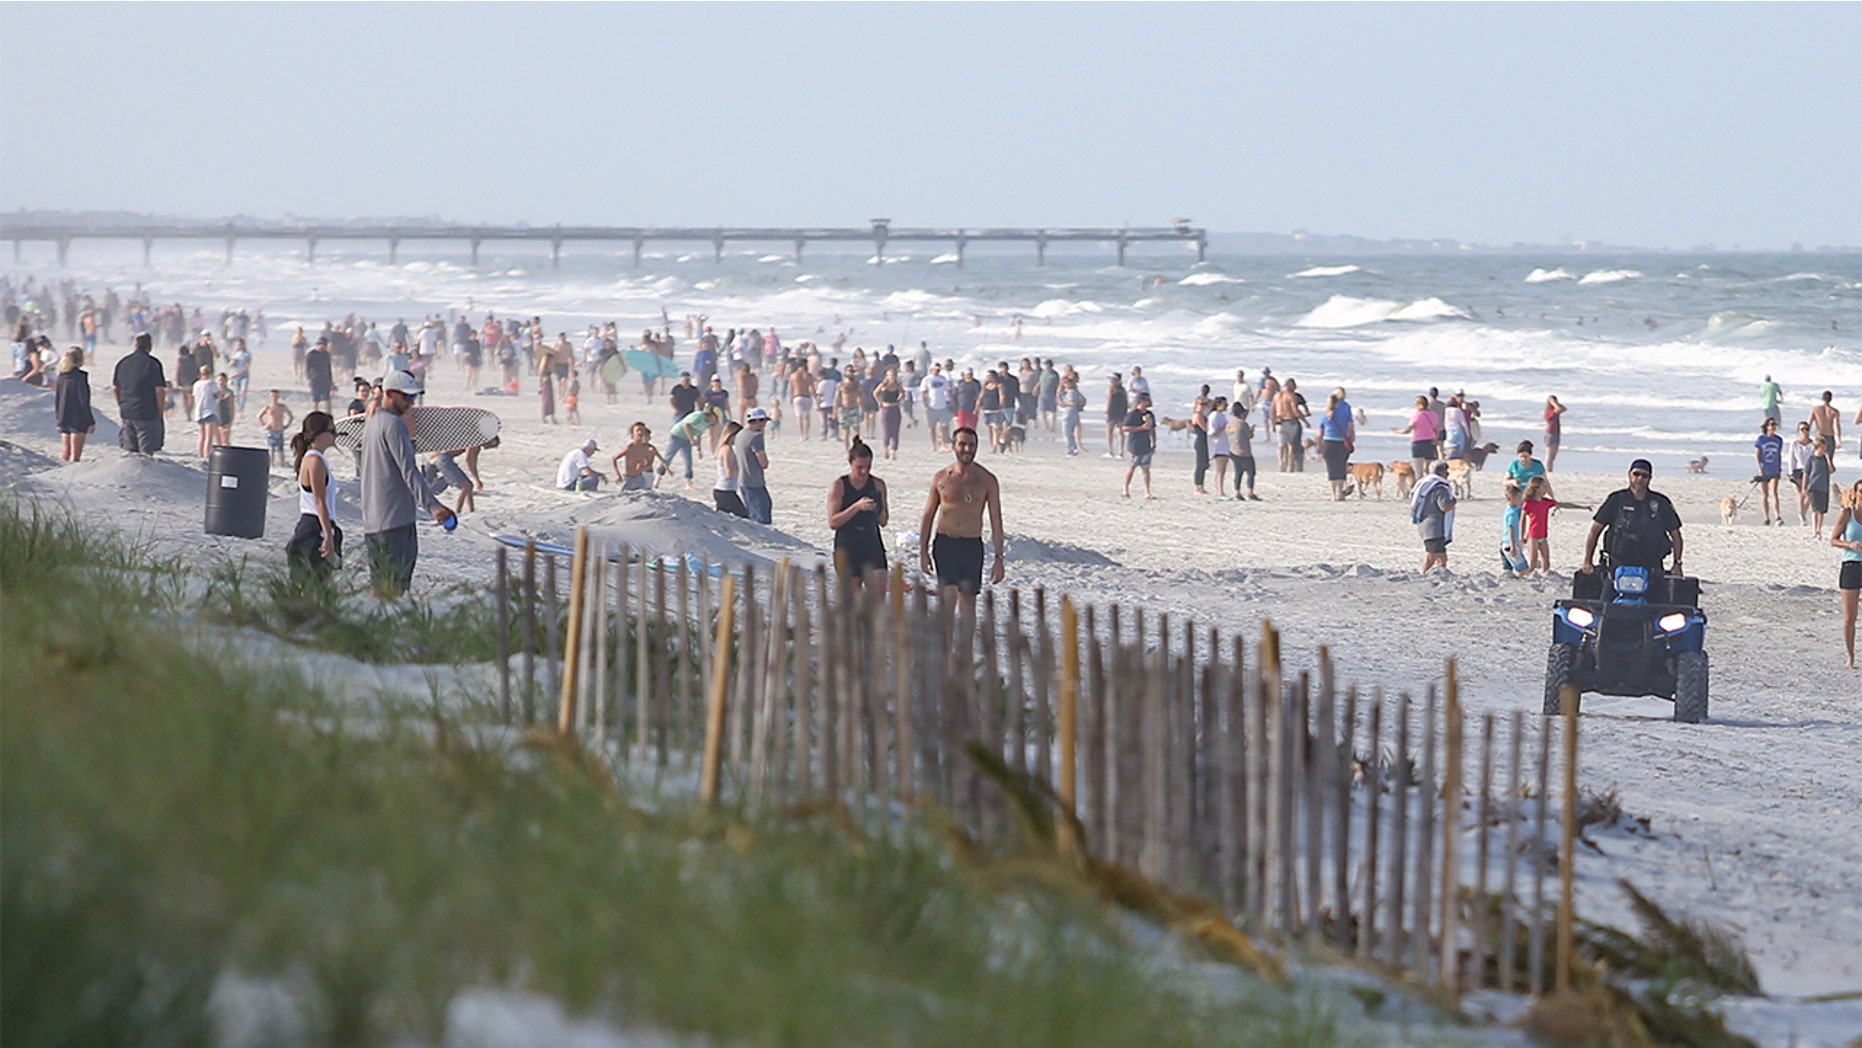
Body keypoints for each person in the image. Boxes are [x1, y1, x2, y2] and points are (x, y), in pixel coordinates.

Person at [358, 370, 454, 598]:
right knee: (395, 591)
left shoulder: (372, 423)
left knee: (379, 591)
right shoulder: (393, 424)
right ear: (389, 394)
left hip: (373, 522)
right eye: (406, 397)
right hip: (395, 522)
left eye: (413, 397)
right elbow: (408, 470)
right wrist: (433, 507)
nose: (411, 403)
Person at [917, 427, 1005, 613]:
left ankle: (965, 643)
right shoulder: (941, 478)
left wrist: (999, 558)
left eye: (971, 445)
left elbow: (996, 520)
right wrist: (923, 551)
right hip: (945, 543)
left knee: (967, 605)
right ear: (953, 446)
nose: (967, 449)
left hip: (972, 545)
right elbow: (928, 515)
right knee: (948, 599)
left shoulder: (987, 480)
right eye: (962, 444)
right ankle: (946, 643)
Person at [1582, 459, 1684, 578]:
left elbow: (1676, 535)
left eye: (1644, 475)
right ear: (1629, 474)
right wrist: (1587, 560)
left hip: (1652, 566)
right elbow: (1594, 531)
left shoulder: (1661, 503)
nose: (1639, 478)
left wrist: (1677, 564)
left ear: (1650, 478)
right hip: (1618, 565)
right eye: (1636, 474)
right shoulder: (1616, 500)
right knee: (1607, 597)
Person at [285, 412, 342, 586]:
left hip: (315, 525)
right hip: (314, 527)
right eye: (331, 431)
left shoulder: (316, 459)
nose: (335, 435)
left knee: (320, 585)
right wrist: (328, 536)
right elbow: (319, 502)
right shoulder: (315, 460)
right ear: (319, 434)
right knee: (315, 585)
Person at [829, 437, 890, 587]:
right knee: (853, 602)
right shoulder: (840, 485)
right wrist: (856, 507)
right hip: (848, 544)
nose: (864, 472)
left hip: (871, 542)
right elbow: (833, 522)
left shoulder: (877, 484)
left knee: (878, 594)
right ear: (851, 463)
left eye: (868, 467)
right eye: (860, 467)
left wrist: (878, 509)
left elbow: (884, 521)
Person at [1519, 475, 1590, 575]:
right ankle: (1519, 578)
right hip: (1533, 536)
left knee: (1546, 564)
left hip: (1543, 535)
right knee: (1533, 564)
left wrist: (1582, 507)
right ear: (1536, 488)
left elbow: (1564, 505)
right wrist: (1522, 536)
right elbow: (1522, 520)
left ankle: (1543, 580)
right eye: (1543, 487)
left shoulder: (1546, 502)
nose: (1545, 489)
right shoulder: (1529, 503)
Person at [1831, 478, 1862, 669]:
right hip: (1851, 565)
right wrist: (1849, 544)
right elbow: (1833, 540)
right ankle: (1850, 656)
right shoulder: (1847, 513)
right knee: (1850, 617)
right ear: (1856, 493)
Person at [1412, 461, 1457, 573]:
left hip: (1425, 524)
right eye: (1446, 471)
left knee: (1441, 556)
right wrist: (1454, 501)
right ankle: (1422, 573)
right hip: (1434, 526)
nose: (1447, 474)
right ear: (1441, 472)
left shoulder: (1424, 485)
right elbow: (1445, 507)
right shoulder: (1439, 488)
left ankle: (1441, 574)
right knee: (1432, 556)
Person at [54, 347, 95, 462]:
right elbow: (83, 400)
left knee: (65, 453)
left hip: (64, 415)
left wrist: (59, 419)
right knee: (75, 455)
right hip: (78, 418)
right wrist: (90, 421)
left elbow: (58, 398)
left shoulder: (61, 376)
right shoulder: (80, 377)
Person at [659, 406, 715, 489]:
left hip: (687, 438)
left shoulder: (708, 423)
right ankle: (658, 478)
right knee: (669, 456)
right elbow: (686, 425)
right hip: (677, 435)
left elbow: (699, 433)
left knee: (688, 460)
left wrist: (699, 449)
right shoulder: (699, 415)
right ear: (711, 415)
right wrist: (691, 439)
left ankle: (688, 483)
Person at [1392, 395, 1440, 480]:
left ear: (1420, 405)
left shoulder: (1417, 416)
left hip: (1418, 443)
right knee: (1429, 469)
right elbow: (1437, 429)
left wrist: (1397, 431)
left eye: (1416, 404)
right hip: (1430, 442)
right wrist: (1435, 439)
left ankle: (1420, 488)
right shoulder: (1433, 415)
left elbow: (1408, 430)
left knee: (1419, 471)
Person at [1319, 388, 1355, 500]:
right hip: (1341, 442)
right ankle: (1340, 493)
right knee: (1340, 467)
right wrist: (1352, 439)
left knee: (1331, 468)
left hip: (1328, 443)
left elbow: (1320, 433)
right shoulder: (1345, 412)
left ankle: (1333, 495)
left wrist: (1319, 447)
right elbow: (1350, 428)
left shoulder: (1324, 415)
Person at [738, 407, 773, 523]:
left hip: (743, 480)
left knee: (752, 511)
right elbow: (763, 463)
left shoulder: (740, 434)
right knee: (762, 513)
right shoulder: (755, 437)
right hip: (754, 481)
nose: (764, 425)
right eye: (763, 421)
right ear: (757, 420)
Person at [1122, 391, 1158, 499]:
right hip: (1135, 444)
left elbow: (1152, 429)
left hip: (1146, 444)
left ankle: (1147, 492)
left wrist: (1154, 443)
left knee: (1146, 469)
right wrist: (1141, 428)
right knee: (1132, 467)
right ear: (1141, 401)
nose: (1149, 402)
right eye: (1147, 400)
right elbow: (1125, 427)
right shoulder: (1133, 414)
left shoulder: (1149, 415)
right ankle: (1125, 489)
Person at [612, 422, 664, 491]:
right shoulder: (630, 448)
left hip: (640, 479)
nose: (640, 432)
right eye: (637, 430)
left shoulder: (646, 448)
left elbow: (649, 462)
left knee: (644, 497)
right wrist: (618, 475)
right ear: (633, 434)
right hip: (628, 479)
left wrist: (643, 466)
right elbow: (614, 458)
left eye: (642, 430)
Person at [712, 420, 749, 517]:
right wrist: (743, 467)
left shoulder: (727, 449)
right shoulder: (727, 450)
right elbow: (730, 472)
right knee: (744, 517)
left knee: (722, 518)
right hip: (725, 491)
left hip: (725, 490)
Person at [1755, 418, 1785, 525]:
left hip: (1774, 469)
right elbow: (1757, 455)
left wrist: (1780, 467)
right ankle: (1766, 517)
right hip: (1764, 469)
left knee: (1774, 492)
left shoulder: (1778, 440)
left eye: (1774, 424)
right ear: (1767, 426)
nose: (1773, 427)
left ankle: (1777, 516)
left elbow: (1779, 454)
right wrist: (1760, 468)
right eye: (1771, 424)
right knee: (1765, 494)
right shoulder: (1761, 439)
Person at [1789, 421, 1819, 525]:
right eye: (1802, 429)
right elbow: (1791, 458)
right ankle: (1802, 517)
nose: (1805, 431)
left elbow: (1816, 457)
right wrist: (1790, 472)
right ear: (1798, 431)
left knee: (1809, 495)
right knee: (1801, 494)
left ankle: (1802, 513)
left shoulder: (1813, 443)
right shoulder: (1795, 443)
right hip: (1798, 470)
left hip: (1811, 470)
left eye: (1807, 429)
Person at [1226, 407, 1259, 501]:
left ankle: (1237, 492)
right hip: (1244, 451)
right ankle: (1250, 492)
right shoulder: (1242, 423)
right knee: (1251, 472)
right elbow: (1249, 436)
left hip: (1232, 450)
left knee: (1238, 472)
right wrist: (1252, 430)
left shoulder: (1230, 423)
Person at [1805, 436, 1835, 539]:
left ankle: (1819, 529)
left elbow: (1832, 470)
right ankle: (1814, 530)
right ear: (1817, 448)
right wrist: (1805, 488)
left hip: (1824, 488)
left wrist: (1828, 459)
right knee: (1815, 509)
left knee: (1822, 510)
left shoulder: (1825, 460)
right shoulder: (1812, 459)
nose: (1824, 450)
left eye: (1825, 448)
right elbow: (1806, 474)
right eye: (1823, 448)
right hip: (1814, 487)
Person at [1500, 483, 1531, 577]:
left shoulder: (1510, 509)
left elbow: (1522, 508)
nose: (1521, 500)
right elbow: (1511, 528)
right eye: (1519, 498)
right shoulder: (1512, 513)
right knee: (1524, 568)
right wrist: (1513, 546)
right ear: (1511, 499)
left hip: (1505, 543)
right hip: (1510, 544)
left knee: (1510, 568)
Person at [259, 390, 295, 468]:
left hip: (279, 430)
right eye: (272, 396)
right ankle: (272, 464)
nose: (274, 398)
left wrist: (287, 425)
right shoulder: (268, 407)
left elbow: (291, 416)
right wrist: (264, 425)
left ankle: (282, 463)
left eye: (275, 396)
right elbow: (259, 416)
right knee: (271, 449)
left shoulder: (282, 407)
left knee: (280, 448)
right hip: (271, 430)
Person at [192, 366, 220, 460]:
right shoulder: (211, 383)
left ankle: (200, 454)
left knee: (201, 435)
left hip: (199, 411)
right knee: (209, 436)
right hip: (209, 410)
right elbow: (217, 395)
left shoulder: (196, 384)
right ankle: (206, 455)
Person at [876, 369, 904, 459]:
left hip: (895, 408)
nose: (892, 377)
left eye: (894, 375)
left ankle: (894, 452)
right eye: (890, 375)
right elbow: (875, 393)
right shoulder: (883, 385)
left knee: (895, 431)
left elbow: (902, 392)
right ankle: (886, 450)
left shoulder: (897, 385)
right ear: (887, 376)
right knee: (887, 431)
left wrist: (901, 396)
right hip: (886, 409)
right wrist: (879, 402)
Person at [1809, 390, 1844, 456]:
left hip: (1819, 436)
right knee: (1829, 460)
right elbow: (1836, 426)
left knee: (1817, 457)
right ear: (1831, 399)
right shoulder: (1834, 411)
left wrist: (1806, 437)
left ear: (1822, 398)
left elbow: (1809, 423)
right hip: (1830, 437)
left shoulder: (1815, 409)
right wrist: (1838, 440)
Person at [1058, 375, 1086, 456]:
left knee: (1067, 432)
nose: (1065, 385)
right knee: (1069, 432)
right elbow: (1058, 394)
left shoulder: (1072, 392)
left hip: (1069, 413)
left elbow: (1074, 403)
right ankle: (1073, 448)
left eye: (1066, 383)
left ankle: (1070, 449)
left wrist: (1064, 403)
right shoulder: (1068, 392)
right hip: (1069, 413)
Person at [305, 336, 334, 413]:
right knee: (316, 399)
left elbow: (328, 368)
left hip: (325, 379)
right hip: (315, 379)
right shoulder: (311, 355)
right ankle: (315, 414)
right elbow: (307, 368)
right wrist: (308, 379)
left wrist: (331, 381)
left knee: (327, 399)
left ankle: (329, 414)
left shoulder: (326, 354)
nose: (324, 347)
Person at [1103, 373, 1128, 458]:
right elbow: (1126, 401)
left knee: (1109, 431)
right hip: (1121, 411)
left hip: (1112, 411)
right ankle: (1120, 451)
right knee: (1120, 431)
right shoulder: (1122, 389)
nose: (1111, 381)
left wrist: (1106, 411)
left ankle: (1110, 451)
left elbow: (1109, 401)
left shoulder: (1111, 389)